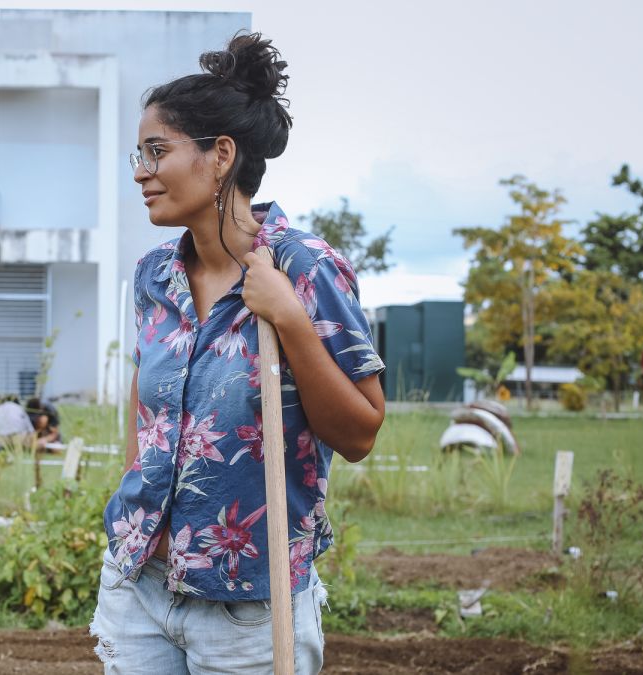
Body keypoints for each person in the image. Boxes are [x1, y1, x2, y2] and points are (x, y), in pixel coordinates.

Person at [90, 32, 385, 674]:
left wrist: (289, 321)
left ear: (220, 155)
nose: (140, 171)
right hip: (139, 583)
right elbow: (150, 419)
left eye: (156, 151)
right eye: (137, 155)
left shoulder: (303, 268)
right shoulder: (153, 277)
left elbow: (360, 432)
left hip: (249, 602)